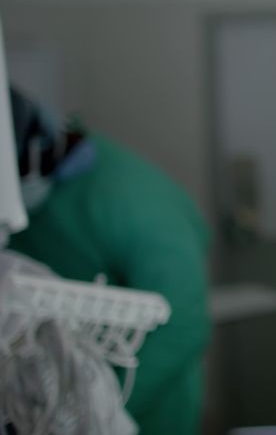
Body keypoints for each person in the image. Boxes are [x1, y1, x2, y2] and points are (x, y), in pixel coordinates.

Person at [5, 88, 210, 435]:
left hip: (145, 407)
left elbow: (184, 322)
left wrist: (101, 412)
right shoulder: (34, 204)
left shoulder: (136, 205)